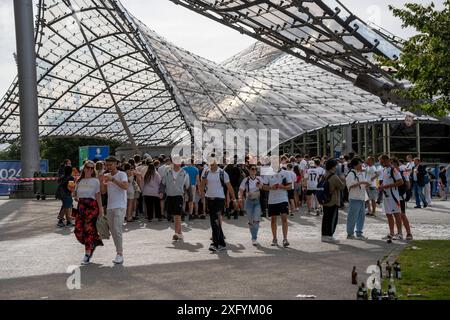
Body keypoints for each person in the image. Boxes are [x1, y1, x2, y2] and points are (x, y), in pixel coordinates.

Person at [199, 156, 236, 252]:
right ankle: (222, 243)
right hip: (209, 199)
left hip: (219, 199)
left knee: (214, 221)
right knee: (215, 222)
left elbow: (230, 187)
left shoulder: (222, 173)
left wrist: (234, 199)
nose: (211, 162)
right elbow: (202, 184)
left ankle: (215, 244)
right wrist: (202, 192)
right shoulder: (206, 172)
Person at [73, 160, 104, 265]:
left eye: (92, 168)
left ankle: (87, 254)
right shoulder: (79, 181)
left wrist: (101, 209)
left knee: (88, 229)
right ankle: (92, 242)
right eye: (88, 167)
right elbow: (76, 196)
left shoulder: (95, 181)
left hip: (92, 206)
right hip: (81, 206)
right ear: (84, 168)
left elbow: (98, 195)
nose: (90, 170)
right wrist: (73, 193)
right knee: (78, 230)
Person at [100, 156, 128, 265]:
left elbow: (125, 186)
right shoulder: (107, 176)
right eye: (107, 165)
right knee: (113, 231)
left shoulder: (122, 174)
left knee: (117, 229)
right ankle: (118, 252)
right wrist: (102, 181)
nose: (108, 167)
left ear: (116, 164)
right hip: (110, 206)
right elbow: (103, 192)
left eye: (110, 165)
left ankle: (120, 254)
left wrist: (113, 179)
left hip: (120, 205)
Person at [262, 156, 293, 248]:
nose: (275, 163)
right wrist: (271, 188)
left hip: (283, 199)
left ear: (280, 162)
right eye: (273, 161)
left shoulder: (286, 173)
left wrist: (282, 187)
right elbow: (264, 187)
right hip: (272, 200)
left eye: (276, 161)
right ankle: (274, 238)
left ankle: (285, 239)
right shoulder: (268, 173)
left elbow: (290, 186)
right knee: (273, 220)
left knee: (284, 218)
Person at [160, 156, 190, 241]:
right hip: (169, 196)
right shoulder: (167, 172)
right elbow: (163, 183)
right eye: (175, 161)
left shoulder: (184, 173)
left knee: (177, 215)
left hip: (179, 196)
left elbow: (187, 186)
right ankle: (180, 233)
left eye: (178, 161)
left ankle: (176, 233)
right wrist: (161, 192)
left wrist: (188, 195)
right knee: (174, 215)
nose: (177, 163)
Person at [378, 155, 404, 241]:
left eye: (382, 162)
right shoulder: (384, 170)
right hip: (386, 196)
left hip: (393, 196)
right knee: (388, 214)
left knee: (396, 214)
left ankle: (400, 233)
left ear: (387, 160)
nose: (381, 163)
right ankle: (391, 233)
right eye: (380, 162)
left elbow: (400, 182)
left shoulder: (394, 169)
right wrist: (381, 186)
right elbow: (385, 182)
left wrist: (387, 186)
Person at [321, 159, 346, 243]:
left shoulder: (324, 175)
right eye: (336, 165)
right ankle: (329, 235)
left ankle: (324, 235)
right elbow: (342, 187)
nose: (337, 167)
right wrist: (343, 179)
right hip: (333, 200)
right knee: (332, 219)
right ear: (332, 167)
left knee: (325, 218)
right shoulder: (334, 176)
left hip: (325, 199)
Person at [238, 164, 264, 246]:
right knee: (251, 221)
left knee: (256, 220)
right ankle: (253, 237)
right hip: (248, 201)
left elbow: (263, 188)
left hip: (257, 201)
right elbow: (241, 190)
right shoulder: (246, 180)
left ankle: (254, 238)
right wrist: (239, 198)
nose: (254, 170)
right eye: (252, 169)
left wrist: (260, 186)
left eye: (255, 169)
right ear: (249, 170)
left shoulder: (259, 179)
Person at [346, 158, 370, 240]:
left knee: (361, 216)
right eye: (360, 164)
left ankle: (359, 232)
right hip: (354, 198)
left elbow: (362, 185)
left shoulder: (360, 173)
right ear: (355, 165)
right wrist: (362, 183)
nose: (361, 166)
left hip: (361, 197)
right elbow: (350, 185)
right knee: (352, 216)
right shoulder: (351, 174)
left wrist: (366, 184)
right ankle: (350, 233)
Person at [392, 158, 413, 240]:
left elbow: (407, 183)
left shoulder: (403, 171)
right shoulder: (390, 172)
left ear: (397, 164)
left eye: (392, 164)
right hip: (393, 197)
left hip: (400, 196)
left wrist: (407, 193)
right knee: (396, 215)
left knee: (402, 215)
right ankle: (399, 232)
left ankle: (409, 233)